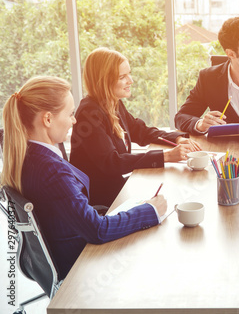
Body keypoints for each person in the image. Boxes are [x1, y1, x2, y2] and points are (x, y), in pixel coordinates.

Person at [1, 76, 167, 278]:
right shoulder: (51, 170)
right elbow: (97, 230)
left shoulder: (27, 154)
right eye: (70, 114)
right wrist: (149, 211)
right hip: (80, 262)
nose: (74, 120)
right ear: (47, 119)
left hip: (60, 250)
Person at [71, 47, 202, 208]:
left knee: (175, 189)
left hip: (117, 188)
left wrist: (177, 138)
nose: (130, 81)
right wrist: (166, 156)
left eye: (129, 74)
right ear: (104, 80)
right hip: (102, 199)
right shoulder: (89, 113)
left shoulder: (113, 103)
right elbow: (111, 162)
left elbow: (141, 131)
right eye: (122, 77)